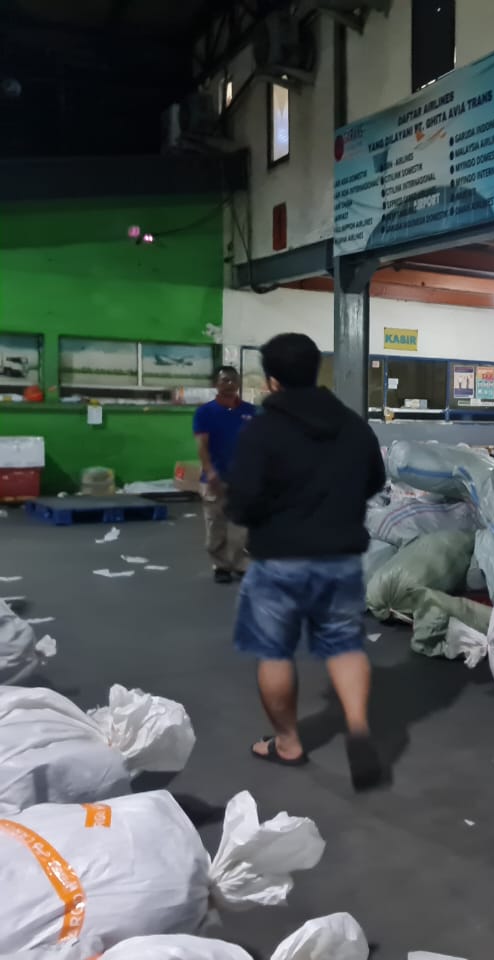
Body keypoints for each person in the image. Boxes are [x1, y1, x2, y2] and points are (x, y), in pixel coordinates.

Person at [226, 333, 387, 792]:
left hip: (279, 561)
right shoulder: (353, 426)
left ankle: (288, 742)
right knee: (344, 645)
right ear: (316, 370)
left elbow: (242, 503)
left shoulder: (261, 430)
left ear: (272, 380)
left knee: (275, 651)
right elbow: (374, 479)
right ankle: (357, 725)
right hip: (339, 558)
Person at [194, 366, 256, 583]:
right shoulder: (205, 412)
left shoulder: (251, 411)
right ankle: (220, 566)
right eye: (224, 380)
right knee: (216, 525)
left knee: (242, 527)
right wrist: (210, 472)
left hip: (242, 479)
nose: (229, 384)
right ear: (216, 384)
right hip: (215, 479)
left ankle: (241, 565)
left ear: (238, 383)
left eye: (232, 380)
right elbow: (202, 446)